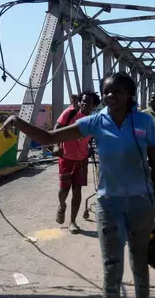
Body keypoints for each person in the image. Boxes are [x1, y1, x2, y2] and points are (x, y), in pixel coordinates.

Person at [0, 72, 155, 298]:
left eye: (116, 91)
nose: (110, 95)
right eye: (106, 91)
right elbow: (50, 137)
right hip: (109, 206)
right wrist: (18, 121)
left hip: (141, 205)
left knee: (140, 265)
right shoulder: (96, 122)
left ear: (129, 94)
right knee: (111, 268)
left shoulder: (145, 122)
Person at [53, 90, 99, 234]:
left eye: (88, 102)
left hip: (81, 160)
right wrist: (56, 146)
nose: (85, 104)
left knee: (77, 191)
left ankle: (73, 222)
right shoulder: (70, 113)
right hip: (66, 158)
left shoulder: (94, 121)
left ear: (94, 106)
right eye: (83, 101)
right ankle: (62, 206)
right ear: (79, 101)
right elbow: (57, 129)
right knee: (64, 191)